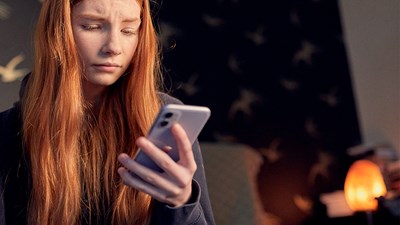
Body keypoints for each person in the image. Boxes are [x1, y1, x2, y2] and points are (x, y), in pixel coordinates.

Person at [0, 0, 215, 224]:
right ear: (56, 31)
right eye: (92, 26)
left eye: (128, 30)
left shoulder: (163, 118)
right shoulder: (8, 131)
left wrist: (182, 203)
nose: (114, 47)